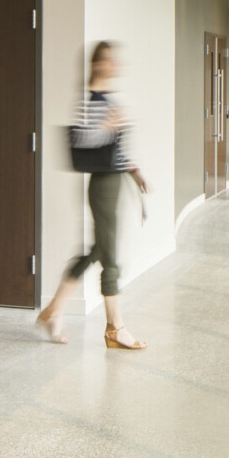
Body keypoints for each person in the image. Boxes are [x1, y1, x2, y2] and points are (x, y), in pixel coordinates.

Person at [36, 41, 149, 350]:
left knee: (100, 250)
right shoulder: (91, 99)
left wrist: (134, 171)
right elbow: (83, 138)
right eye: (110, 61)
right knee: (109, 256)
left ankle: (53, 311)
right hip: (103, 186)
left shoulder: (107, 98)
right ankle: (116, 328)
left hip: (115, 182)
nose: (115, 66)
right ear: (98, 64)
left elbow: (115, 150)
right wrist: (107, 126)